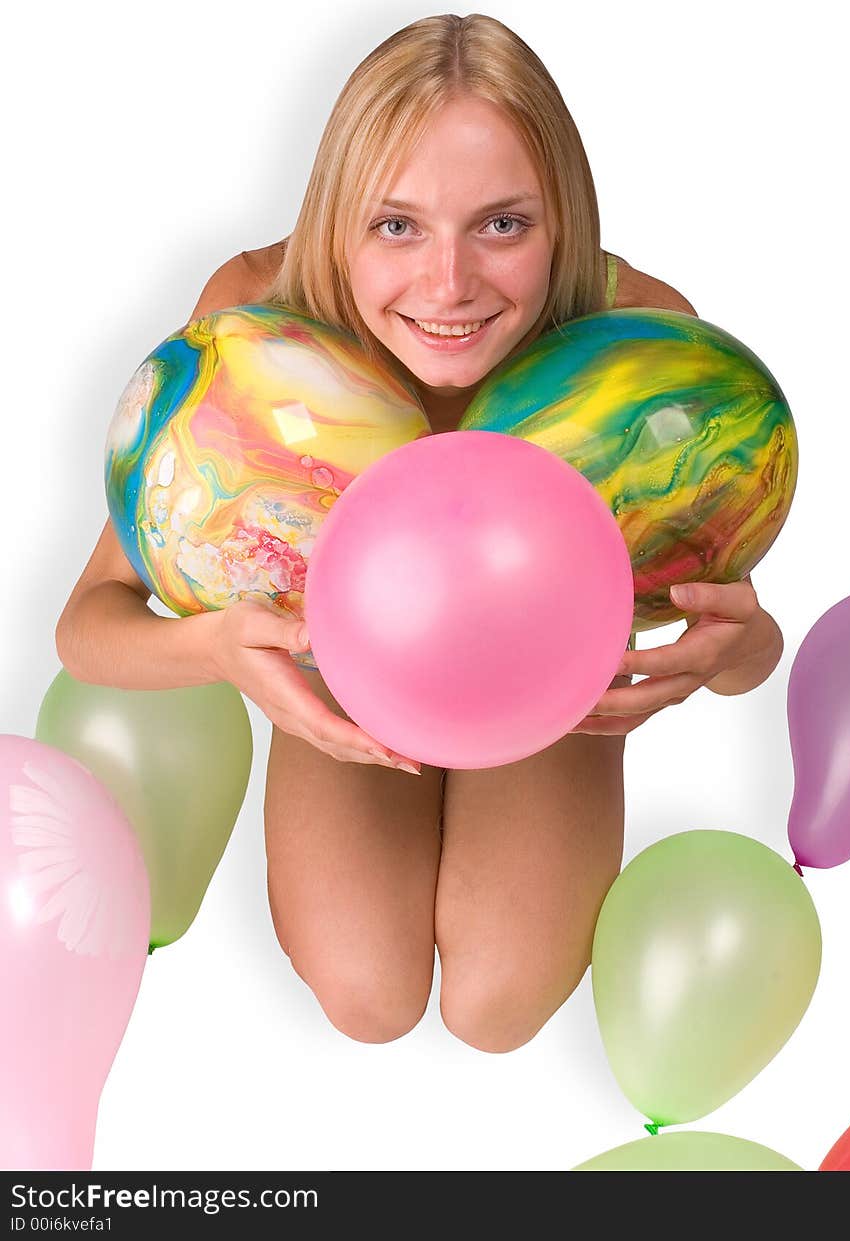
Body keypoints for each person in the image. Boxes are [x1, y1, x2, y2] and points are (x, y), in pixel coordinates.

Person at [55, 14, 784, 1054]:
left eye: (501, 226)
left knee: (499, 1006)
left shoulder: (635, 352)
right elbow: (87, 626)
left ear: (562, 221)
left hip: (545, 684)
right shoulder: (254, 327)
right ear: (336, 217)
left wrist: (742, 650)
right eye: (395, 226)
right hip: (347, 674)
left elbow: (733, 643)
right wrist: (219, 646)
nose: (448, 287)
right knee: (367, 994)